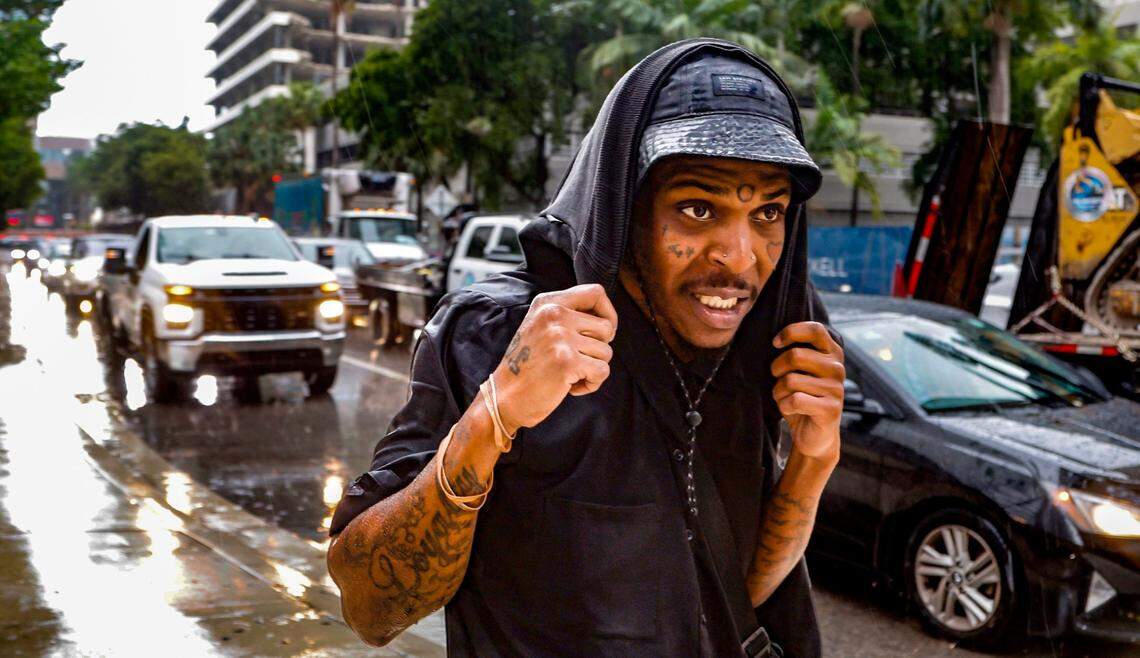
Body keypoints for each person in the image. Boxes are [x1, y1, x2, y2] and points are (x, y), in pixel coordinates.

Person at [328, 38, 845, 657]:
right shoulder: (496, 332)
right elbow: (371, 607)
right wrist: (494, 416)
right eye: (698, 208)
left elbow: (737, 598)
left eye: (768, 213)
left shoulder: (759, 345)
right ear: (623, 204)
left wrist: (813, 462)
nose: (739, 258)